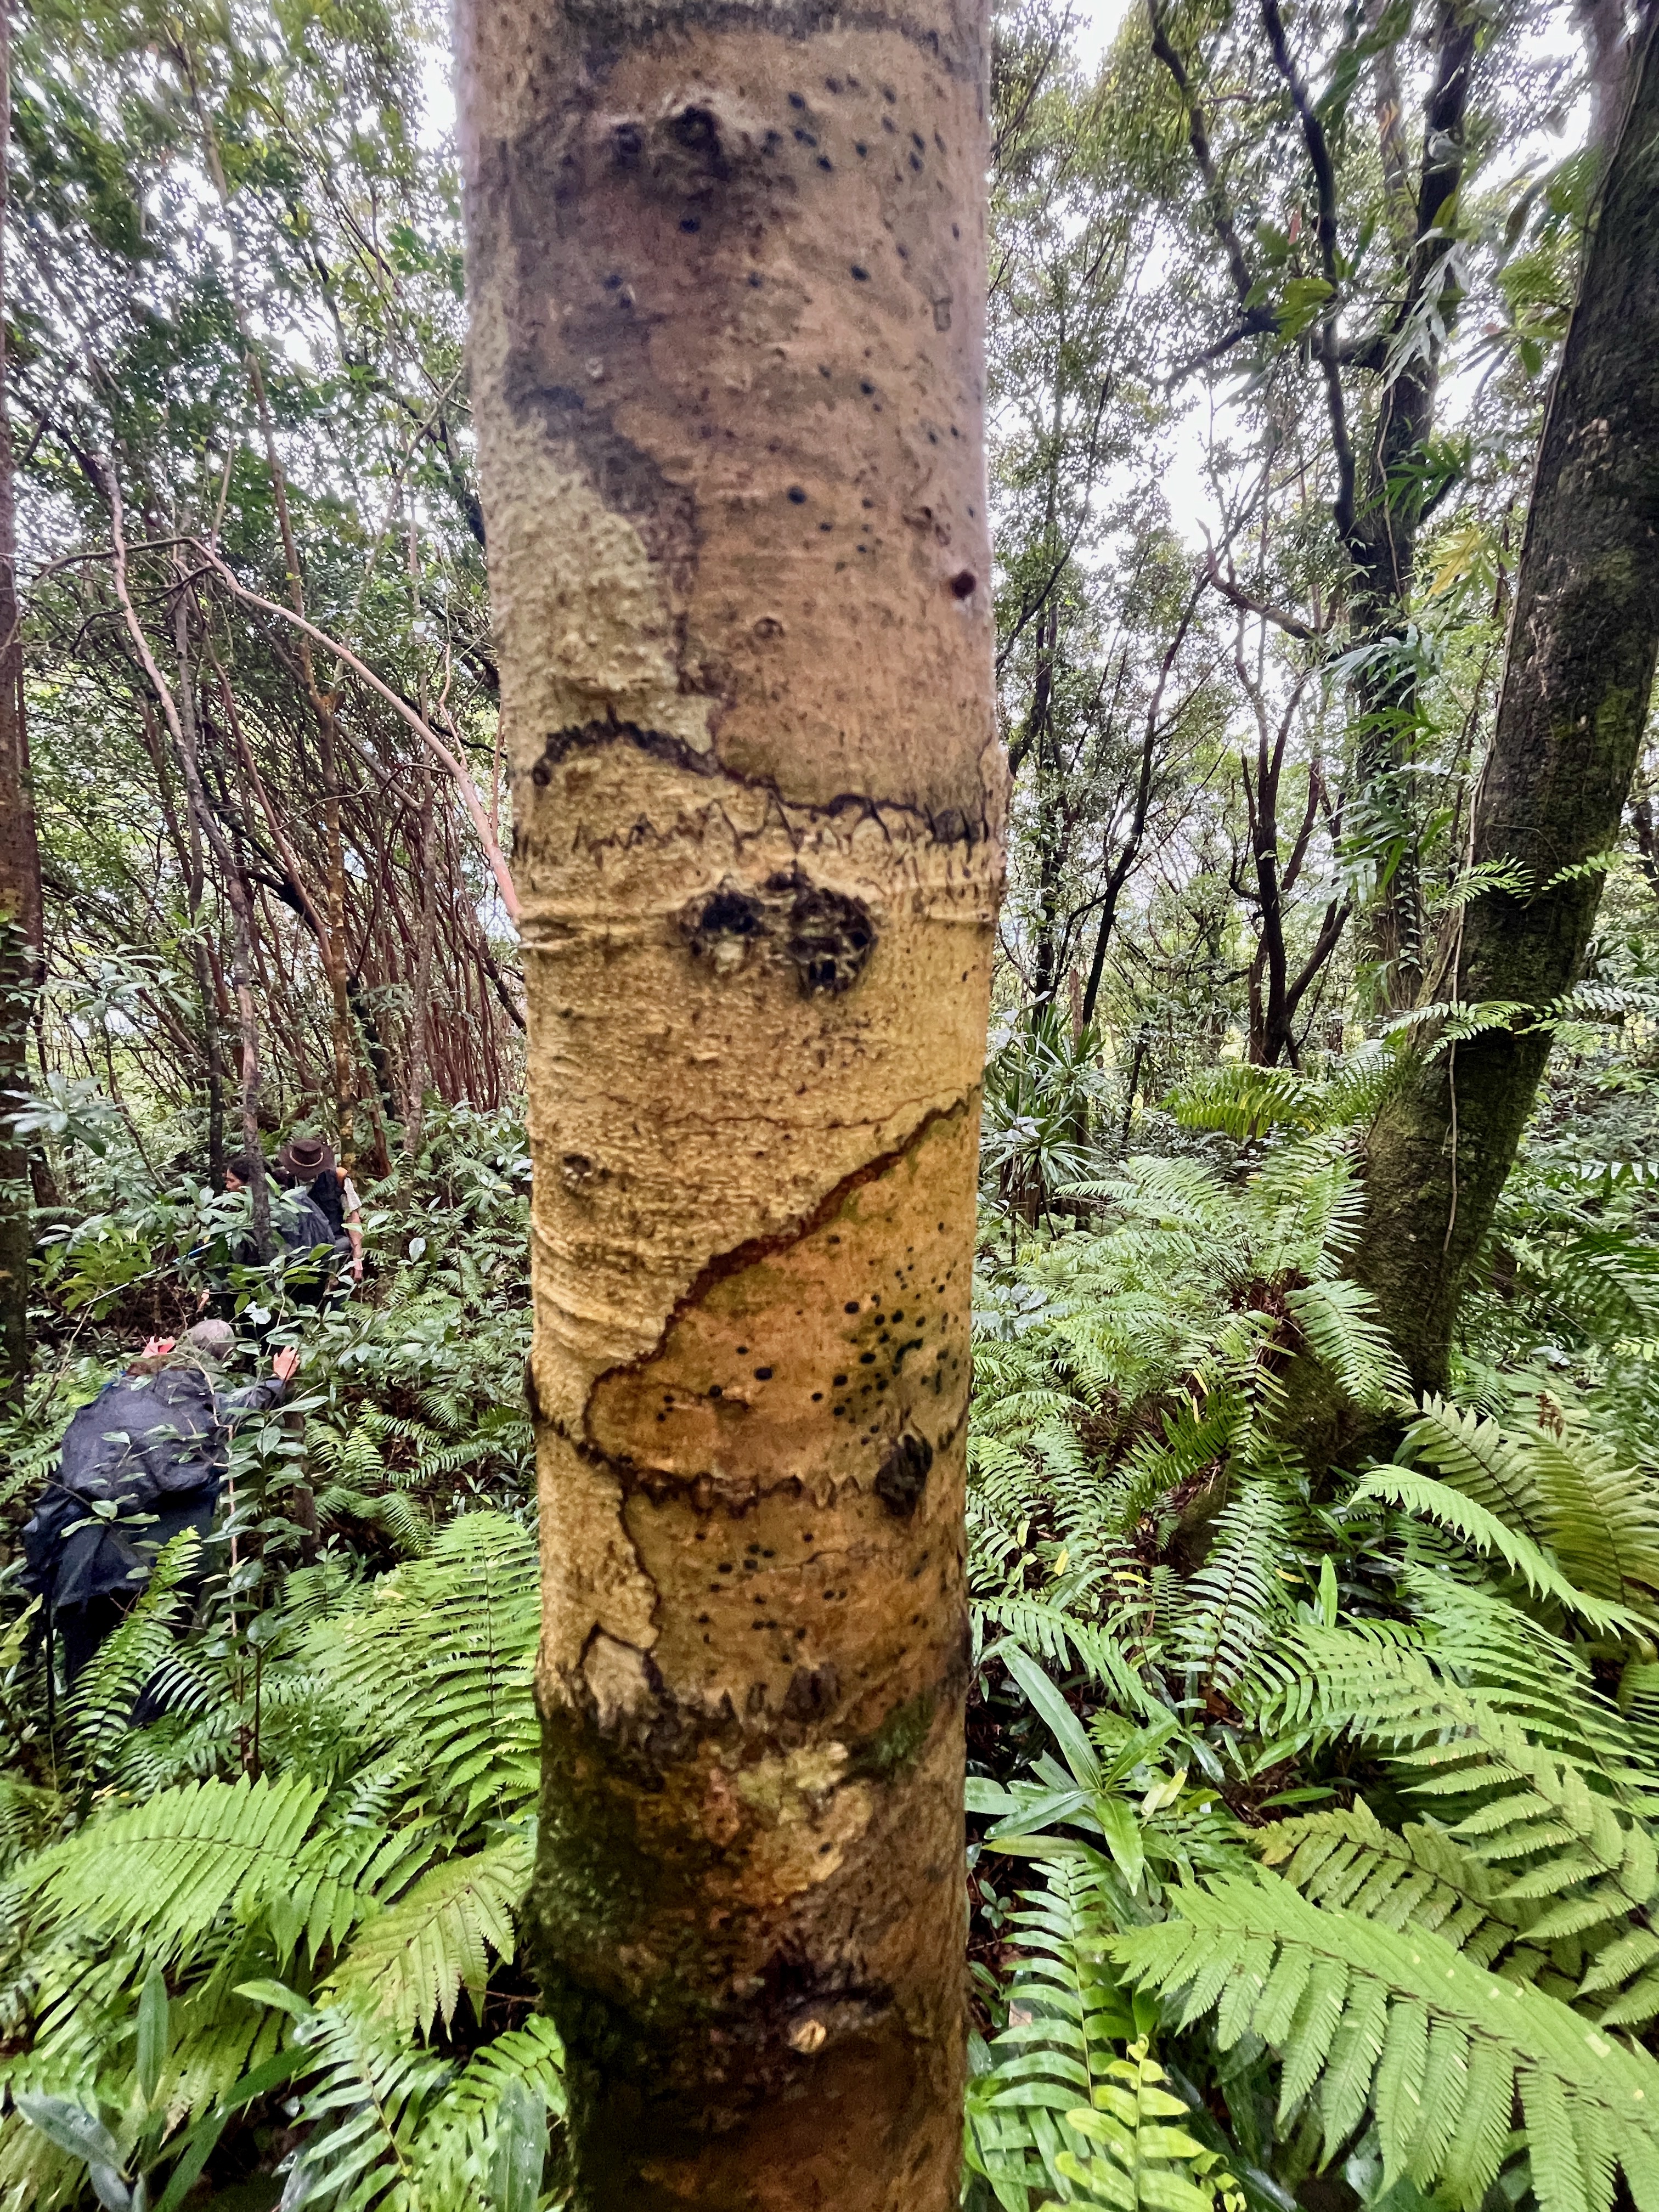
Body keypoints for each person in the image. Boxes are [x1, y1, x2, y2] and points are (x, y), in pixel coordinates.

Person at [21, 1321, 300, 1684]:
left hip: (82, 1557)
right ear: (226, 1358)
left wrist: (140, 1364)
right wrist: (278, 1380)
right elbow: (239, 1411)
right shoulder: (205, 1399)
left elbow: (101, 1408)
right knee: (155, 1672)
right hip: (161, 1558)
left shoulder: (122, 1392)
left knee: (85, 1683)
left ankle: (80, 1738)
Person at [223, 1150, 344, 1304]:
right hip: (315, 1271)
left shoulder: (271, 1209)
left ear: (250, 1183)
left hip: (294, 1278)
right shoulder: (295, 1196)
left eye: (231, 1181)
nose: (227, 1187)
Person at [275, 1133, 364, 1286]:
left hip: (331, 1247)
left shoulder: (338, 1178)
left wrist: (358, 1257)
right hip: (294, 1253)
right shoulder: (280, 1182)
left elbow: (353, 1216)